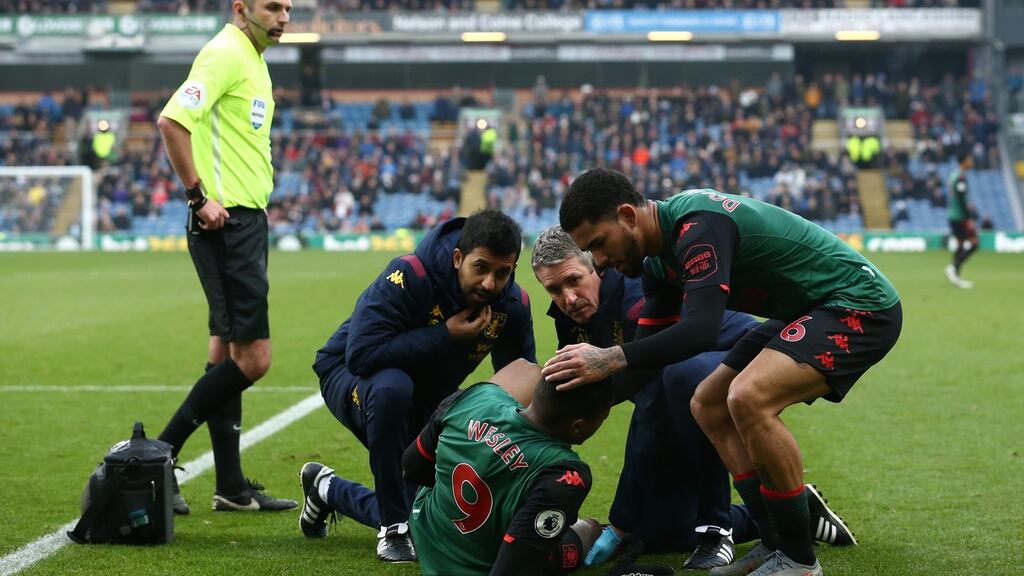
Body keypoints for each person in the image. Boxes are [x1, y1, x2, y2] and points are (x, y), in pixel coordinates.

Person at [545, 169, 902, 576]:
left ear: (628, 215)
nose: (602, 261)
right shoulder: (659, 266)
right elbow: (648, 362)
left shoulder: (697, 227)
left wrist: (609, 358)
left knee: (747, 397)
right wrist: (562, 407)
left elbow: (701, 329)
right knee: (708, 402)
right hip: (809, 311)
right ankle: (775, 541)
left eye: (599, 244)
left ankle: (801, 562)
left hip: (859, 303)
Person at [305, 210, 536, 563]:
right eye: (481, 268)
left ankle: (327, 489)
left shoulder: (512, 305)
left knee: (433, 518)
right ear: (458, 258)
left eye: (502, 273)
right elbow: (362, 354)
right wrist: (444, 335)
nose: (490, 283)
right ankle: (393, 529)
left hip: (428, 396)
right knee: (391, 388)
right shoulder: (409, 274)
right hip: (353, 376)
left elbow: (519, 381)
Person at [155, 0, 295, 515]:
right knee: (253, 359)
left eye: (288, 8)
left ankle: (230, 485)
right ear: (242, 9)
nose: (283, 17)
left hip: (244, 221)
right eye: (272, 7)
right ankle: (160, 454)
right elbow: (172, 122)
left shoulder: (253, 59)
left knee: (224, 352)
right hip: (225, 223)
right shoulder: (225, 53)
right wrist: (197, 196)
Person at [944, 152, 978, 289]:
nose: (972, 161)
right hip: (960, 217)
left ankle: (955, 276)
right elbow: (960, 199)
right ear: (964, 161)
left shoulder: (954, 175)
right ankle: (953, 268)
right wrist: (969, 217)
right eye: (970, 159)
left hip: (953, 215)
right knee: (975, 244)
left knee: (960, 245)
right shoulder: (960, 177)